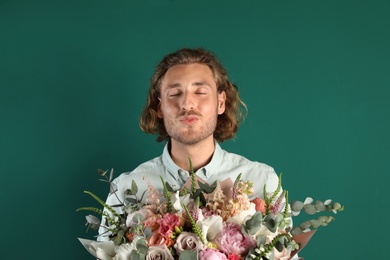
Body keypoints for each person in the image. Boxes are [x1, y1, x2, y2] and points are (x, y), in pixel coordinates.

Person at [98, 48, 281, 241]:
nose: (187, 104)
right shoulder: (124, 190)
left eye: (200, 92)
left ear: (221, 103)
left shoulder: (262, 181)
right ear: (159, 107)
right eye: (175, 93)